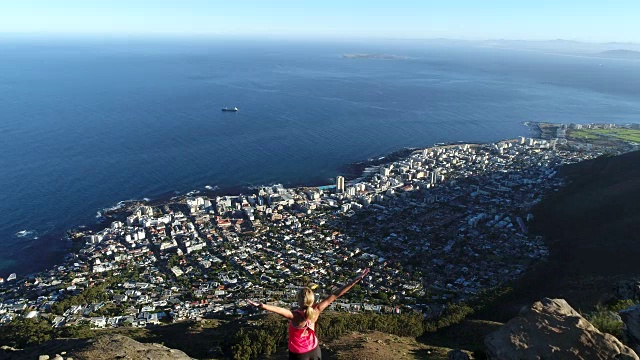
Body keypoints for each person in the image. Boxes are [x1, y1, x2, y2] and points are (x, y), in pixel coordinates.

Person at [248, 268, 370, 360]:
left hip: (299, 354)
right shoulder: (317, 310)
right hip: (315, 349)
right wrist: (355, 280)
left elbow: (280, 310)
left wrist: (262, 306)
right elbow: (337, 294)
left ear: (299, 300)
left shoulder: (296, 316)